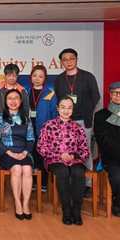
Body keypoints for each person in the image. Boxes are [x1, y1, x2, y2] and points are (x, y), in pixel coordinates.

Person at [54, 48, 100, 198]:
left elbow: (95, 96)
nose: (68, 62)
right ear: (61, 62)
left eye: (71, 59)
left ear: (76, 60)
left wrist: (85, 109)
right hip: (65, 122)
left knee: (84, 151)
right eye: (65, 60)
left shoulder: (87, 77)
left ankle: (86, 184)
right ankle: (68, 180)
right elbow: (59, 99)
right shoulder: (59, 79)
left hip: (82, 120)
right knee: (65, 150)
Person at [37, 96, 90, 226]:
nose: (66, 110)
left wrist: (73, 155)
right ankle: (66, 210)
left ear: (73, 109)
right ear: (57, 108)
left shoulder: (78, 127)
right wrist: (59, 154)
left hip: (75, 160)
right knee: (62, 173)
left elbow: (86, 150)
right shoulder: (48, 125)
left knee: (78, 173)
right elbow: (41, 147)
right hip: (55, 160)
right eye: (63, 107)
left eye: (69, 108)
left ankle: (76, 211)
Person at [0, 89, 35, 220]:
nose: (13, 101)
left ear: (21, 101)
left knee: (27, 169)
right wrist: (9, 152)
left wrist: (24, 152)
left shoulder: (26, 118)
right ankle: (18, 203)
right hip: (6, 153)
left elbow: (31, 139)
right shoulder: (0, 117)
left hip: (24, 152)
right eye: (10, 98)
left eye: (16, 98)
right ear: (6, 101)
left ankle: (26, 204)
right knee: (17, 169)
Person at [26, 65, 58, 192]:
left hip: (43, 129)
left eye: (40, 76)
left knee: (42, 155)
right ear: (31, 77)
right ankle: (32, 183)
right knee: (30, 154)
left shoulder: (50, 94)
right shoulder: (25, 92)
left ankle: (43, 183)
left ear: (45, 78)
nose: (37, 79)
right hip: (28, 128)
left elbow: (54, 115)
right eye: (34, 76)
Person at [94, 81, 120, 217]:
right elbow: (102, 140)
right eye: (115, 93)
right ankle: (117, 204)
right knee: (117, 178)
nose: (117, 96)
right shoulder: (100, 116)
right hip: (111, 158)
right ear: (110, 95)